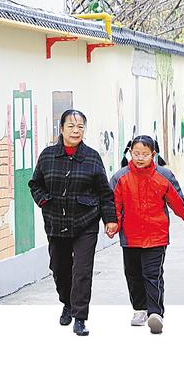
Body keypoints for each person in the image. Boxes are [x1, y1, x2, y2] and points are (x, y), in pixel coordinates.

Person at [29, 109, 118, 336]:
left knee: (82, 271)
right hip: (56, 222)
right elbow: (35, 184)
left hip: (85, 222)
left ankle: (80, 317)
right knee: (59, 268)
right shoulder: (48, 156)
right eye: (71, 126)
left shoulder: (92, 157)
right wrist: (45, 201)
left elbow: (105, 193)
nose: (76, 131)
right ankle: (67, 303)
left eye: (80, 127)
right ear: (61, 129)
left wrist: (110, 219)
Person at [109, 135, 184, 334]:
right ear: (130, 153)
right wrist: (113, 225)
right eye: (136, 153)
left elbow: (177, 199)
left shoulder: (163, 175)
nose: (140, 158)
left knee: (152, 274)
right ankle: (139, 310)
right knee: (133, 274)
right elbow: (114, 205)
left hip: (156, 235)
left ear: (153, 154)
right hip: (130, 237)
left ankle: (155, 313)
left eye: (145, 154)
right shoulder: (120, 177)